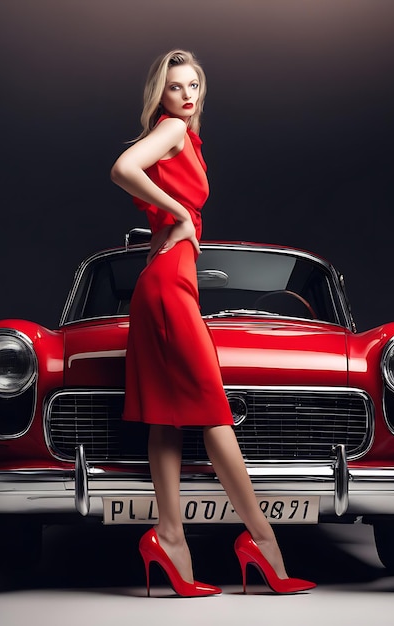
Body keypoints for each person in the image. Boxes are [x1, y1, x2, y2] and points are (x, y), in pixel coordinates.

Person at [110, 49, 315, 597]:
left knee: (165, 418)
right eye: (176, 86)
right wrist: (179, 212)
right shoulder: (172, 129)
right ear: (162, 94)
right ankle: (264, 545)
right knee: (215, 413)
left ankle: (172, 541)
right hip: (169, 283)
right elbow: (122, 168)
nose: (187, 94)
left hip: (166, 278)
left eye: (194, 84)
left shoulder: (186, 139)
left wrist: (173, 218)